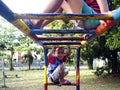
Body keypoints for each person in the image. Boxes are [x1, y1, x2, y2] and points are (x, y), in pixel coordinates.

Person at [23, 0, 110, 30]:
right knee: (62, 2)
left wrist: (104, 15)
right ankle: (40, 25)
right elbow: (58, 12)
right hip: (83, 20)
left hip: (95, 18)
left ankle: (37, 21)